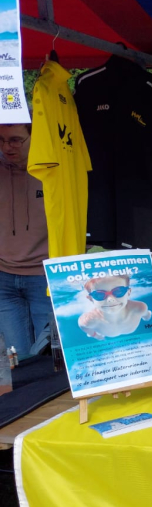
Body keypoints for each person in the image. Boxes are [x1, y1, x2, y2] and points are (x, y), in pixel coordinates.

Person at [0, 123, 53, 355]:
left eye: (15, 139)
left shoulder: (55, 171)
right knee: (17, 359)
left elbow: (82, 217)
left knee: (48, 358)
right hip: (4, 281)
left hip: (46, 279)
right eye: (0, 140)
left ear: (35, 137)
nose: (6, 147)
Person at [78, 275, 152, 340]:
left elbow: (146, 316)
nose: (110, 299)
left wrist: (147, 317)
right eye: (99, 295)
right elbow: (84, 327)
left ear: (128, 293)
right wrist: (96, 336)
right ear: (91, 299)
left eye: (119, 291)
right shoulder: (88, 321)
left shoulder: (139, 308)